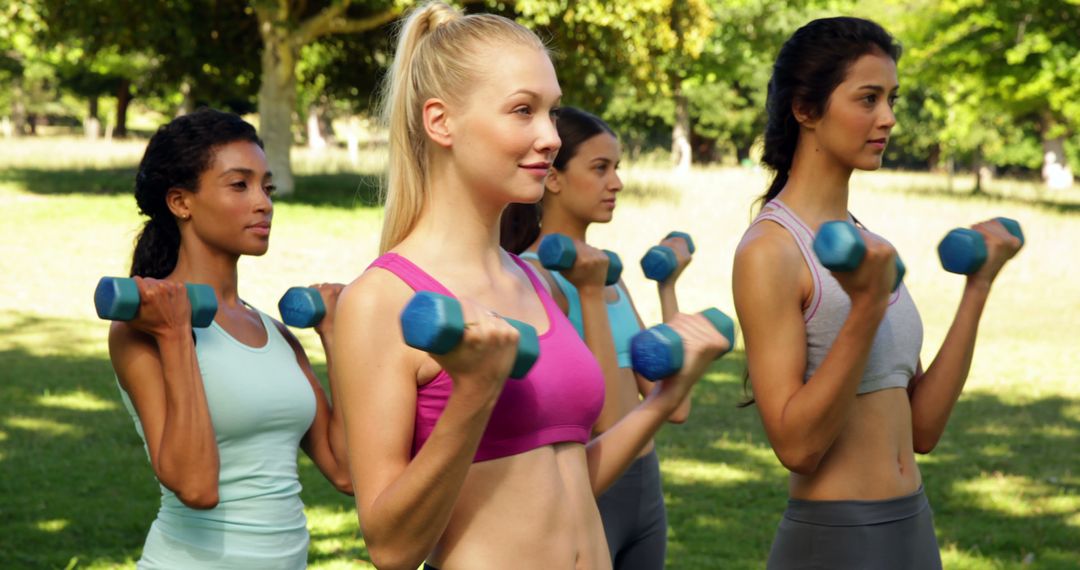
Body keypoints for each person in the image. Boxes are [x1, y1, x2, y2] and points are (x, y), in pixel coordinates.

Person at [331, 3, 727, 569]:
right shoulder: (382, 301)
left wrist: (663, 400)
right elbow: (392, 548)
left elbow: (568, 476)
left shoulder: (532, 278)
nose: (549, 137)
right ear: (440, 121)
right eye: (523, 111)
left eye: (551, 111)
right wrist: (472, 394)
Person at [731, 17, 1022, 569]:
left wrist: (978, 287)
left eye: (891, 98)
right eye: (868, 98)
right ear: (805, 109)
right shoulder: (770, 251)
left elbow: (924, 430)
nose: (887, 118)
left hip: (913, 524)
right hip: (837, 537)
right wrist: (866, 305)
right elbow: (797, 447)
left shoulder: (871, 246)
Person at [107, 108, 351, 569]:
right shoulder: (141, 329)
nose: (263, 203)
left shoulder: (275, 334)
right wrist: (177, 332)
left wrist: (334, 339)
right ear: (181, 202)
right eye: (240, 185)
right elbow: (196, 487)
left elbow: (346, 470)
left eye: (267, 186)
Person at [501, 106, 692, 569]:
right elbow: (604, 418)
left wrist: (667, 287)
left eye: (617, 168)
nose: (617, 183)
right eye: (600, 168)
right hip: (591, 484)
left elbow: (675, 403)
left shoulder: (610, 275)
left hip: (646, 484)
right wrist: (587, 289)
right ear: (553, 179)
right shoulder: (532, 279)